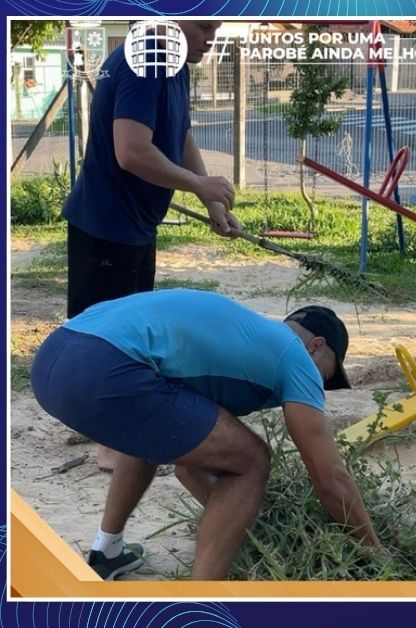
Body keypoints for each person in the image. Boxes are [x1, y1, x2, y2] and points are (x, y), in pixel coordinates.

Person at [30, 289, 381, 580]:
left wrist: (245, 523)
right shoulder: (295, 357)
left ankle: (106, 551)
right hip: (104, 366)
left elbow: (187, 462)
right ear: (315, 346)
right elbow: (330, 480)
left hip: (55, 358)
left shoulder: (235, 339)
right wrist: (376, 555)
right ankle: (199, 602)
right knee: (251, 460)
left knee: (151, 428)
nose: (319, 385)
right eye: (327, 376)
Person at [61, 21, 239, 471]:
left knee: (132, 334)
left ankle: (118, 429)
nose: (211, 38)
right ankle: (108, 441)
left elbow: (177, 137)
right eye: (204, 28)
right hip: (106, 225)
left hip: (136, 224)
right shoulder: (145, 63)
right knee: (104, 338)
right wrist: (199, 181)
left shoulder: (171, 63)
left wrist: (207, 197)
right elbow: (132, 151)